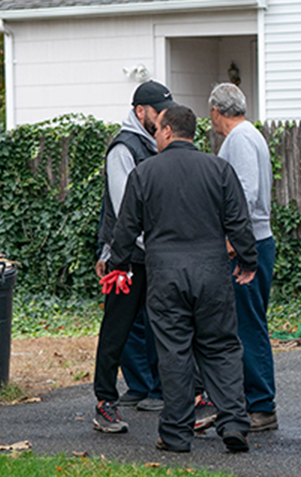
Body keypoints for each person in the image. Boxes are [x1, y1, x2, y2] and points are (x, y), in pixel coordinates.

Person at [108, 104, 257, 453]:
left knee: (173, 352)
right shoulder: (219, 169)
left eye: (157, 130)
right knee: (221, 347)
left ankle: (175, 434)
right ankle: (234, 422)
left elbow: (126, 227)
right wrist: (248, 260)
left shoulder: (145, 173)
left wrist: (119, 265)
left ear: (168, 132)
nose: (155, 135)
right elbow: (239, 221)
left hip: (166, 275)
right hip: (212, 273)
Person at [92, 80, 174, 434]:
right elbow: (126, 209)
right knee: (117, 329)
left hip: (154, 253)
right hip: (127, 257)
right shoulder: (123, 150)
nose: (163, 118)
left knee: (164, 327)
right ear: (141, 111)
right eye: (158, 111)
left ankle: (166, 392)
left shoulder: (158, 144)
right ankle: (104, 402)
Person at [209, 83, 278, 432]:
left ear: (216, 112)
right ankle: (250, 400)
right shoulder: (253, 136)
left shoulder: (238, 140)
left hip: (249, 245)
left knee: (248, 326)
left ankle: (262, 406)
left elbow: (246, 193)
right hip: (258, 241)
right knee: (248, 324)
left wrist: (233, 242)